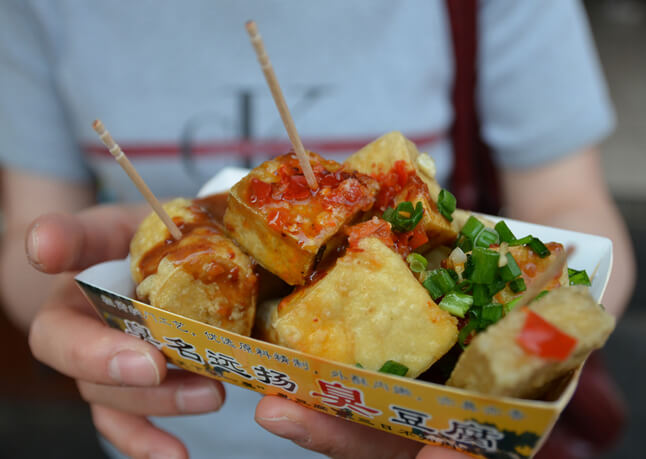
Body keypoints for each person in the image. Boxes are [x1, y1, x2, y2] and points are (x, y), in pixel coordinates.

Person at [0, 1, 635, 458]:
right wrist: (71, 300)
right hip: (180, 433)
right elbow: (25, 253)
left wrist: (549, 342)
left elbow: (573, 205)